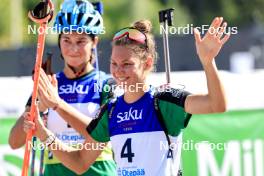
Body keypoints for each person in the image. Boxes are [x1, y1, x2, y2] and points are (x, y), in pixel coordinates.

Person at [24, 17, 229, 175]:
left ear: (147, 63)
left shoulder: (164, 100)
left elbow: (216, 105)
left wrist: (208, 62)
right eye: (114, 64)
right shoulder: (111, 110)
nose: (119, 71)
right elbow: (79, 163)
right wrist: (42, 133)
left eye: (127, 64)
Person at [9, 0, 117, 175]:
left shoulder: (107, 84)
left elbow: (105, 133)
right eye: (67, 40)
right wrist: (39, 108)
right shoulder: (47, 83)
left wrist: (57, 104)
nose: (73, 49)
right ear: (59, 42)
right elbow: (14, 142)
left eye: (81, 40)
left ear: (94, 42)